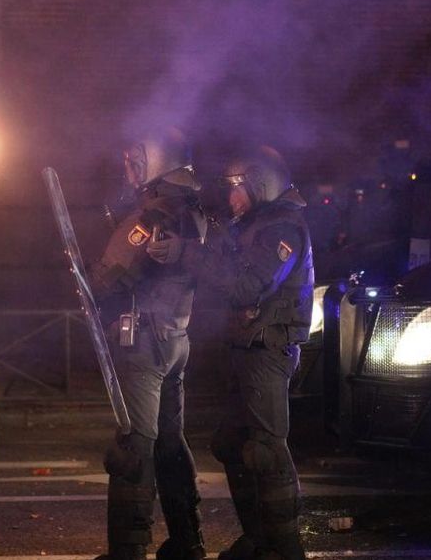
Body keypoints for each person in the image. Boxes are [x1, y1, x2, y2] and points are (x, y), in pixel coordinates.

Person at [148, 146, 314, 560]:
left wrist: (188, 253)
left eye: (237, 186)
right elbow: (224, 269)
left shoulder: (282, 228)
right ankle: (259, 538)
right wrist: (191, 245)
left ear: (262, 183)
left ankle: (285, 547)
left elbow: (245, 286)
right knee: (231, 444)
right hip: (246, 348)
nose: (231, 196)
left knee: (265, 450)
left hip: (267, 350)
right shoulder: (256, 224)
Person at [88, 129, 208, 560]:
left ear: (158, 163)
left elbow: (109, 279)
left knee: (134, 446)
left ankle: (129, 550)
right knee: (169, 444)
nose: (129, 170)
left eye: (137, 162)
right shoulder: (191, 209)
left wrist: (85, 273)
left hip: (145, 341)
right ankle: (187, 541)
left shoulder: (154, 213)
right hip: (175, 337)